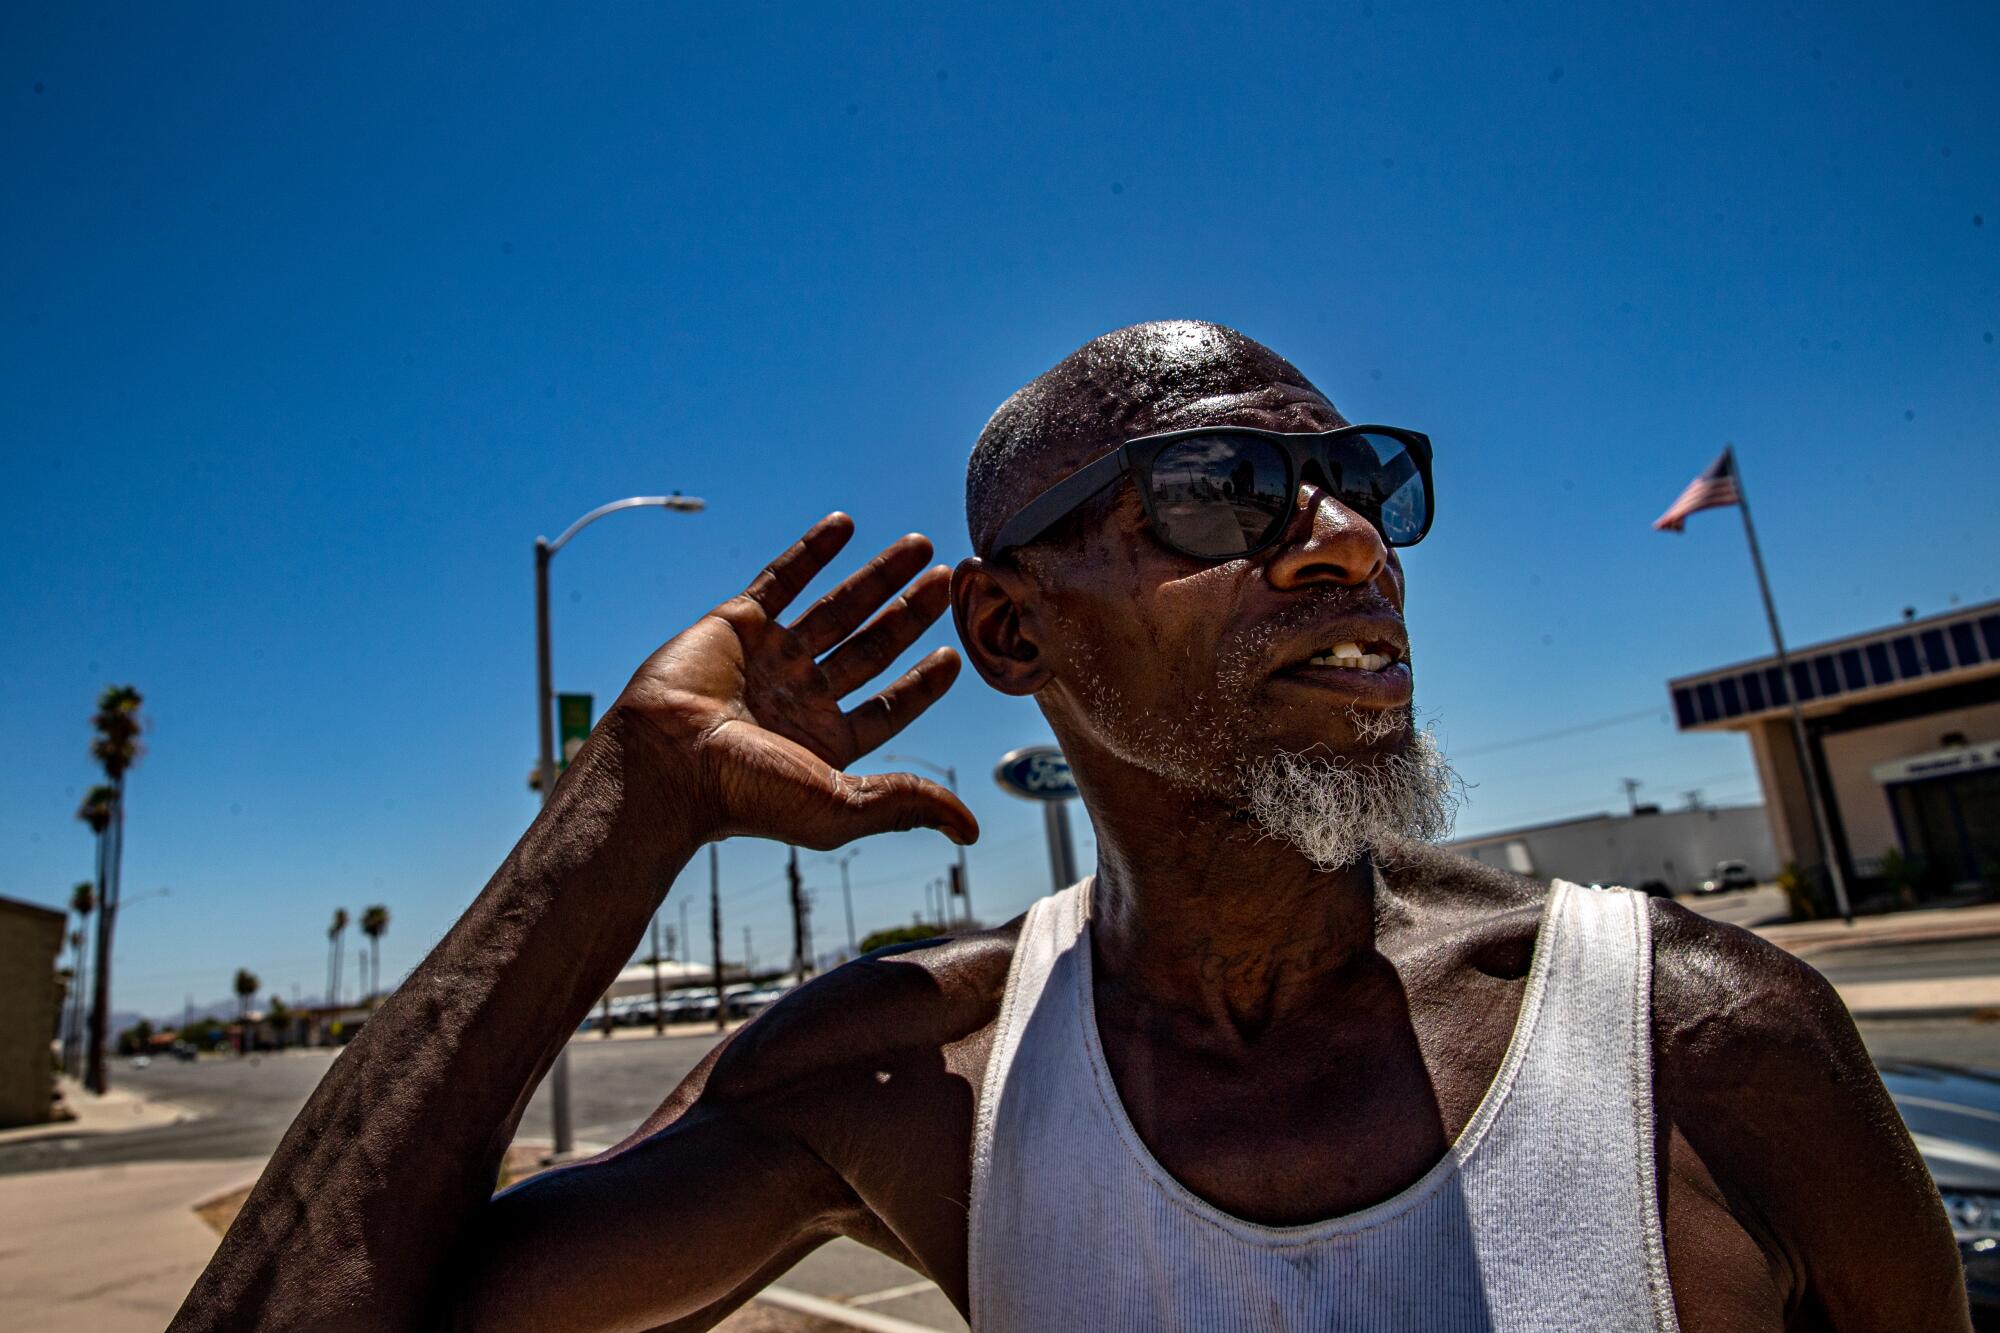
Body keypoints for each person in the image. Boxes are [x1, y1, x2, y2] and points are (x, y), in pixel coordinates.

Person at [173, 322, 1965, 1332]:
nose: (1345, 537)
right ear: (1014, 632)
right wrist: (624, 809)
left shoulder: (1698, 1042)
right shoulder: (913, 1082)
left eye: (1364, 481)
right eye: (1219, 493)